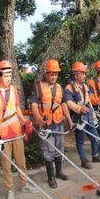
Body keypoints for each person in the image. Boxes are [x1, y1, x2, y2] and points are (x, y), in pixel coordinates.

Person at [0, 60, 37, 199]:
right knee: (6, 164)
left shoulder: (13, 90)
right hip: (3, 133)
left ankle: (24, 185)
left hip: (16, 129)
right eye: (6, 76)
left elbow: (17, 108)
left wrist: (24, 122)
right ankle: (10, 190)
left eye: (10, 75)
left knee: (21, 161)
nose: (9, 79)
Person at [30, 60, 73, 189]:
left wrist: (69, 120)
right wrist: (38, 119)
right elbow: (33, 104)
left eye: (56, 74)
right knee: (48, 150)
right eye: (51, 74)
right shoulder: (38, 86)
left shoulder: (60, 88)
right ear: (46, 74)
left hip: (58, 121)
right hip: (45, 123)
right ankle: (51, 177)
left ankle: (59, 172)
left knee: (59, 147)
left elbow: (64, 104)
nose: (53, 77)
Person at [64, 62, 100, 170]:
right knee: (80, 140)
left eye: (84, 73)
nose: (85, 76)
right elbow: (68, 102)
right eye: (82, 73)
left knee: (95, 137)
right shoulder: (69, 87)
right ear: (76, 75)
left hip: (89, 115)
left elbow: (88, 101)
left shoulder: (85, 86)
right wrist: (79, 109)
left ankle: (95, 155)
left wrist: (94, 115)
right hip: (78, 117)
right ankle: (83, 160)